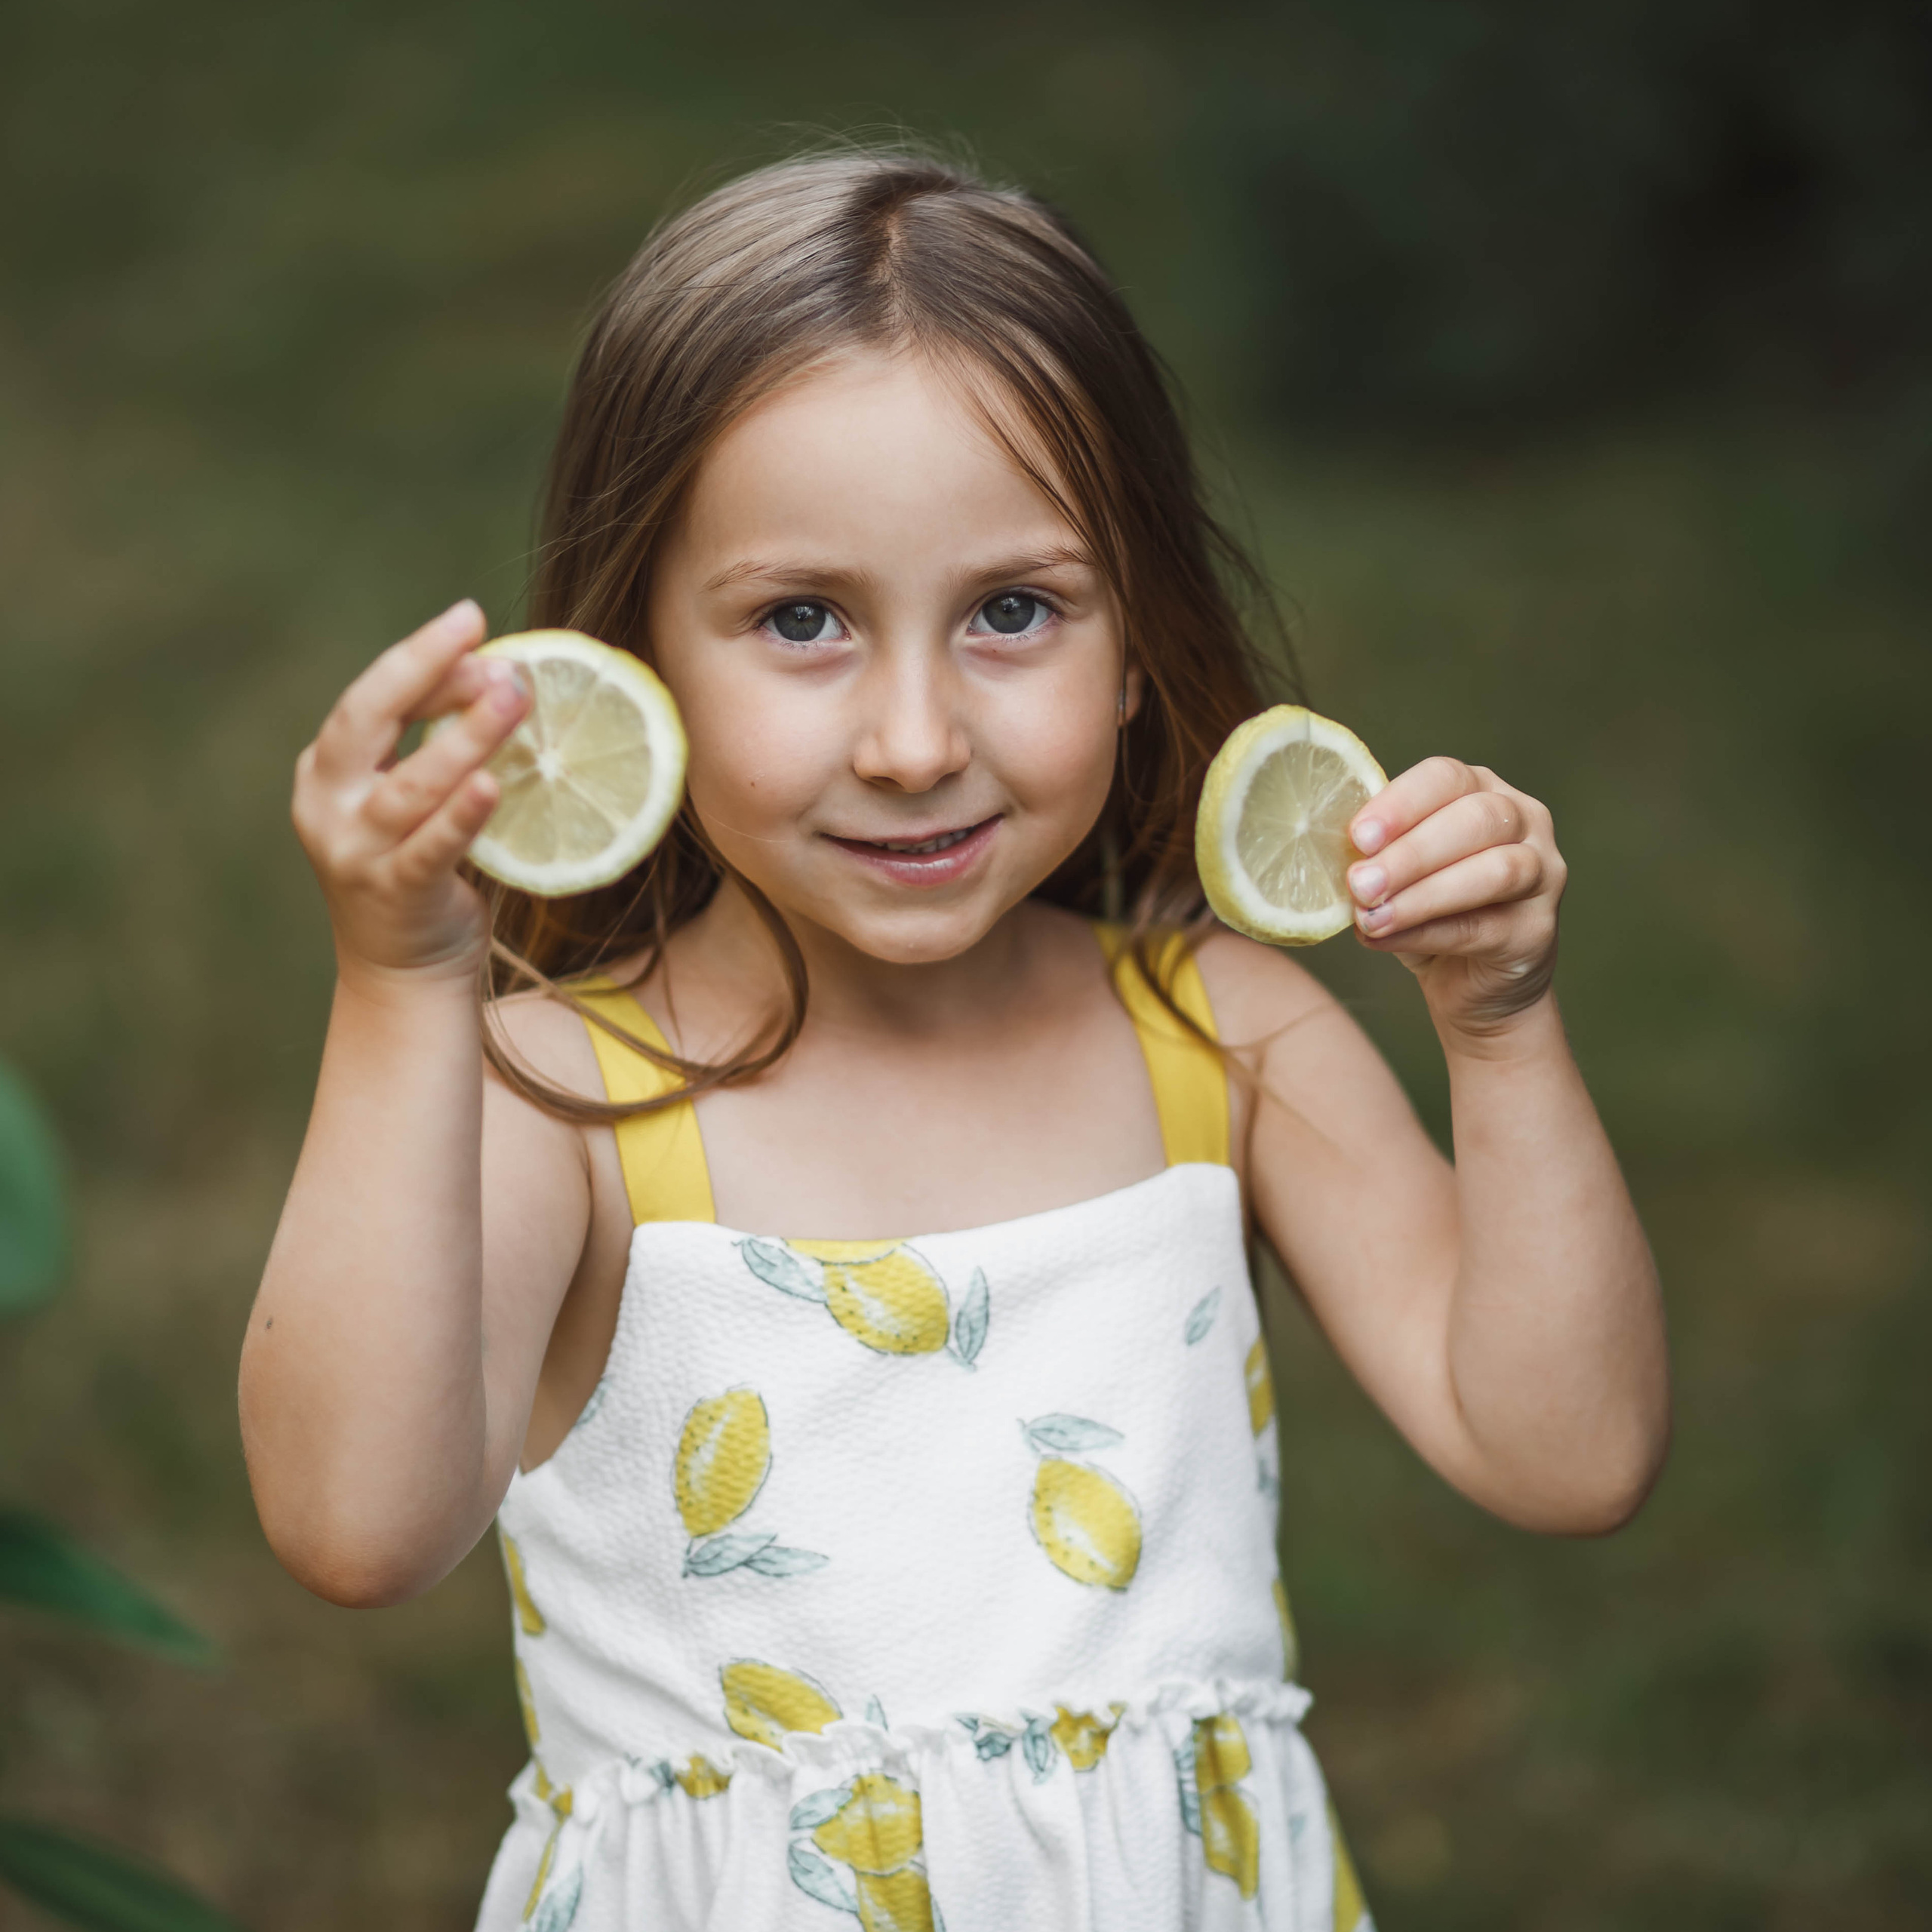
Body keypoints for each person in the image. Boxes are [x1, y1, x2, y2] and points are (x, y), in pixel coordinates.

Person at [240, 147, 1669, 1932]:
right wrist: (399, 987)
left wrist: (1501, 1024)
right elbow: (354, 1526)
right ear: (637, 656)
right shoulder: (573, 1098)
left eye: (1011, 611)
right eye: (800, 621)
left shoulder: (1217, 1034)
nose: (913, 738)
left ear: (1137, 642)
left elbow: (1565, 1449)